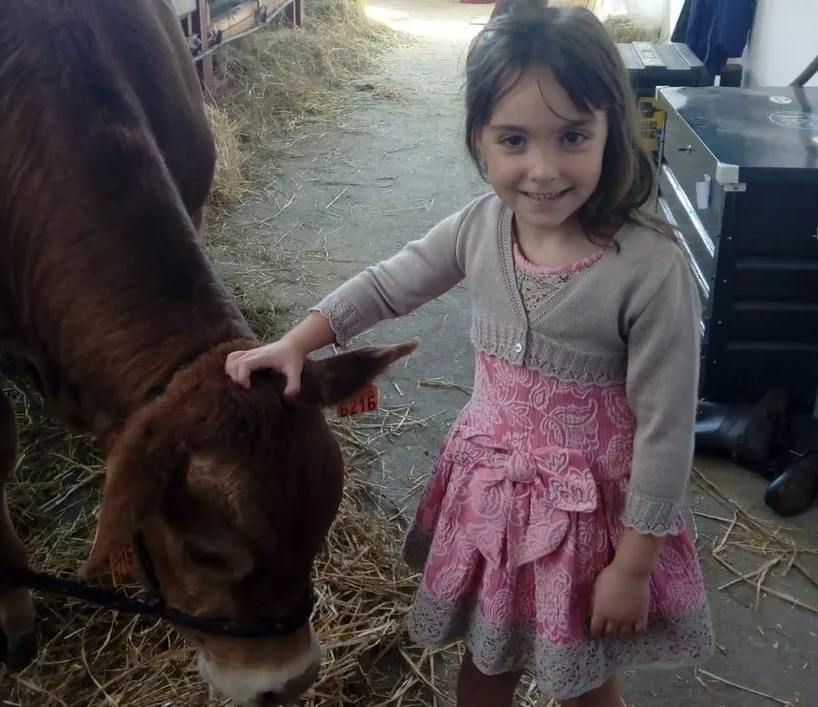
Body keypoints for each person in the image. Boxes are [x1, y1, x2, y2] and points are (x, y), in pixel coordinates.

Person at [225, 3, 716, 705]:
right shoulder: (479, 227)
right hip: (489, 500)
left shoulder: (649, 265)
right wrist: (301, 338)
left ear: (613, 129)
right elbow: (391, 282)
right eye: (514, 139)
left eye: (573, 135)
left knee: (582, 678)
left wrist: (634, 565)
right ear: (479, 139)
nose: (542, 170)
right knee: (485, 664)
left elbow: (667, 430)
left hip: (587, 524)